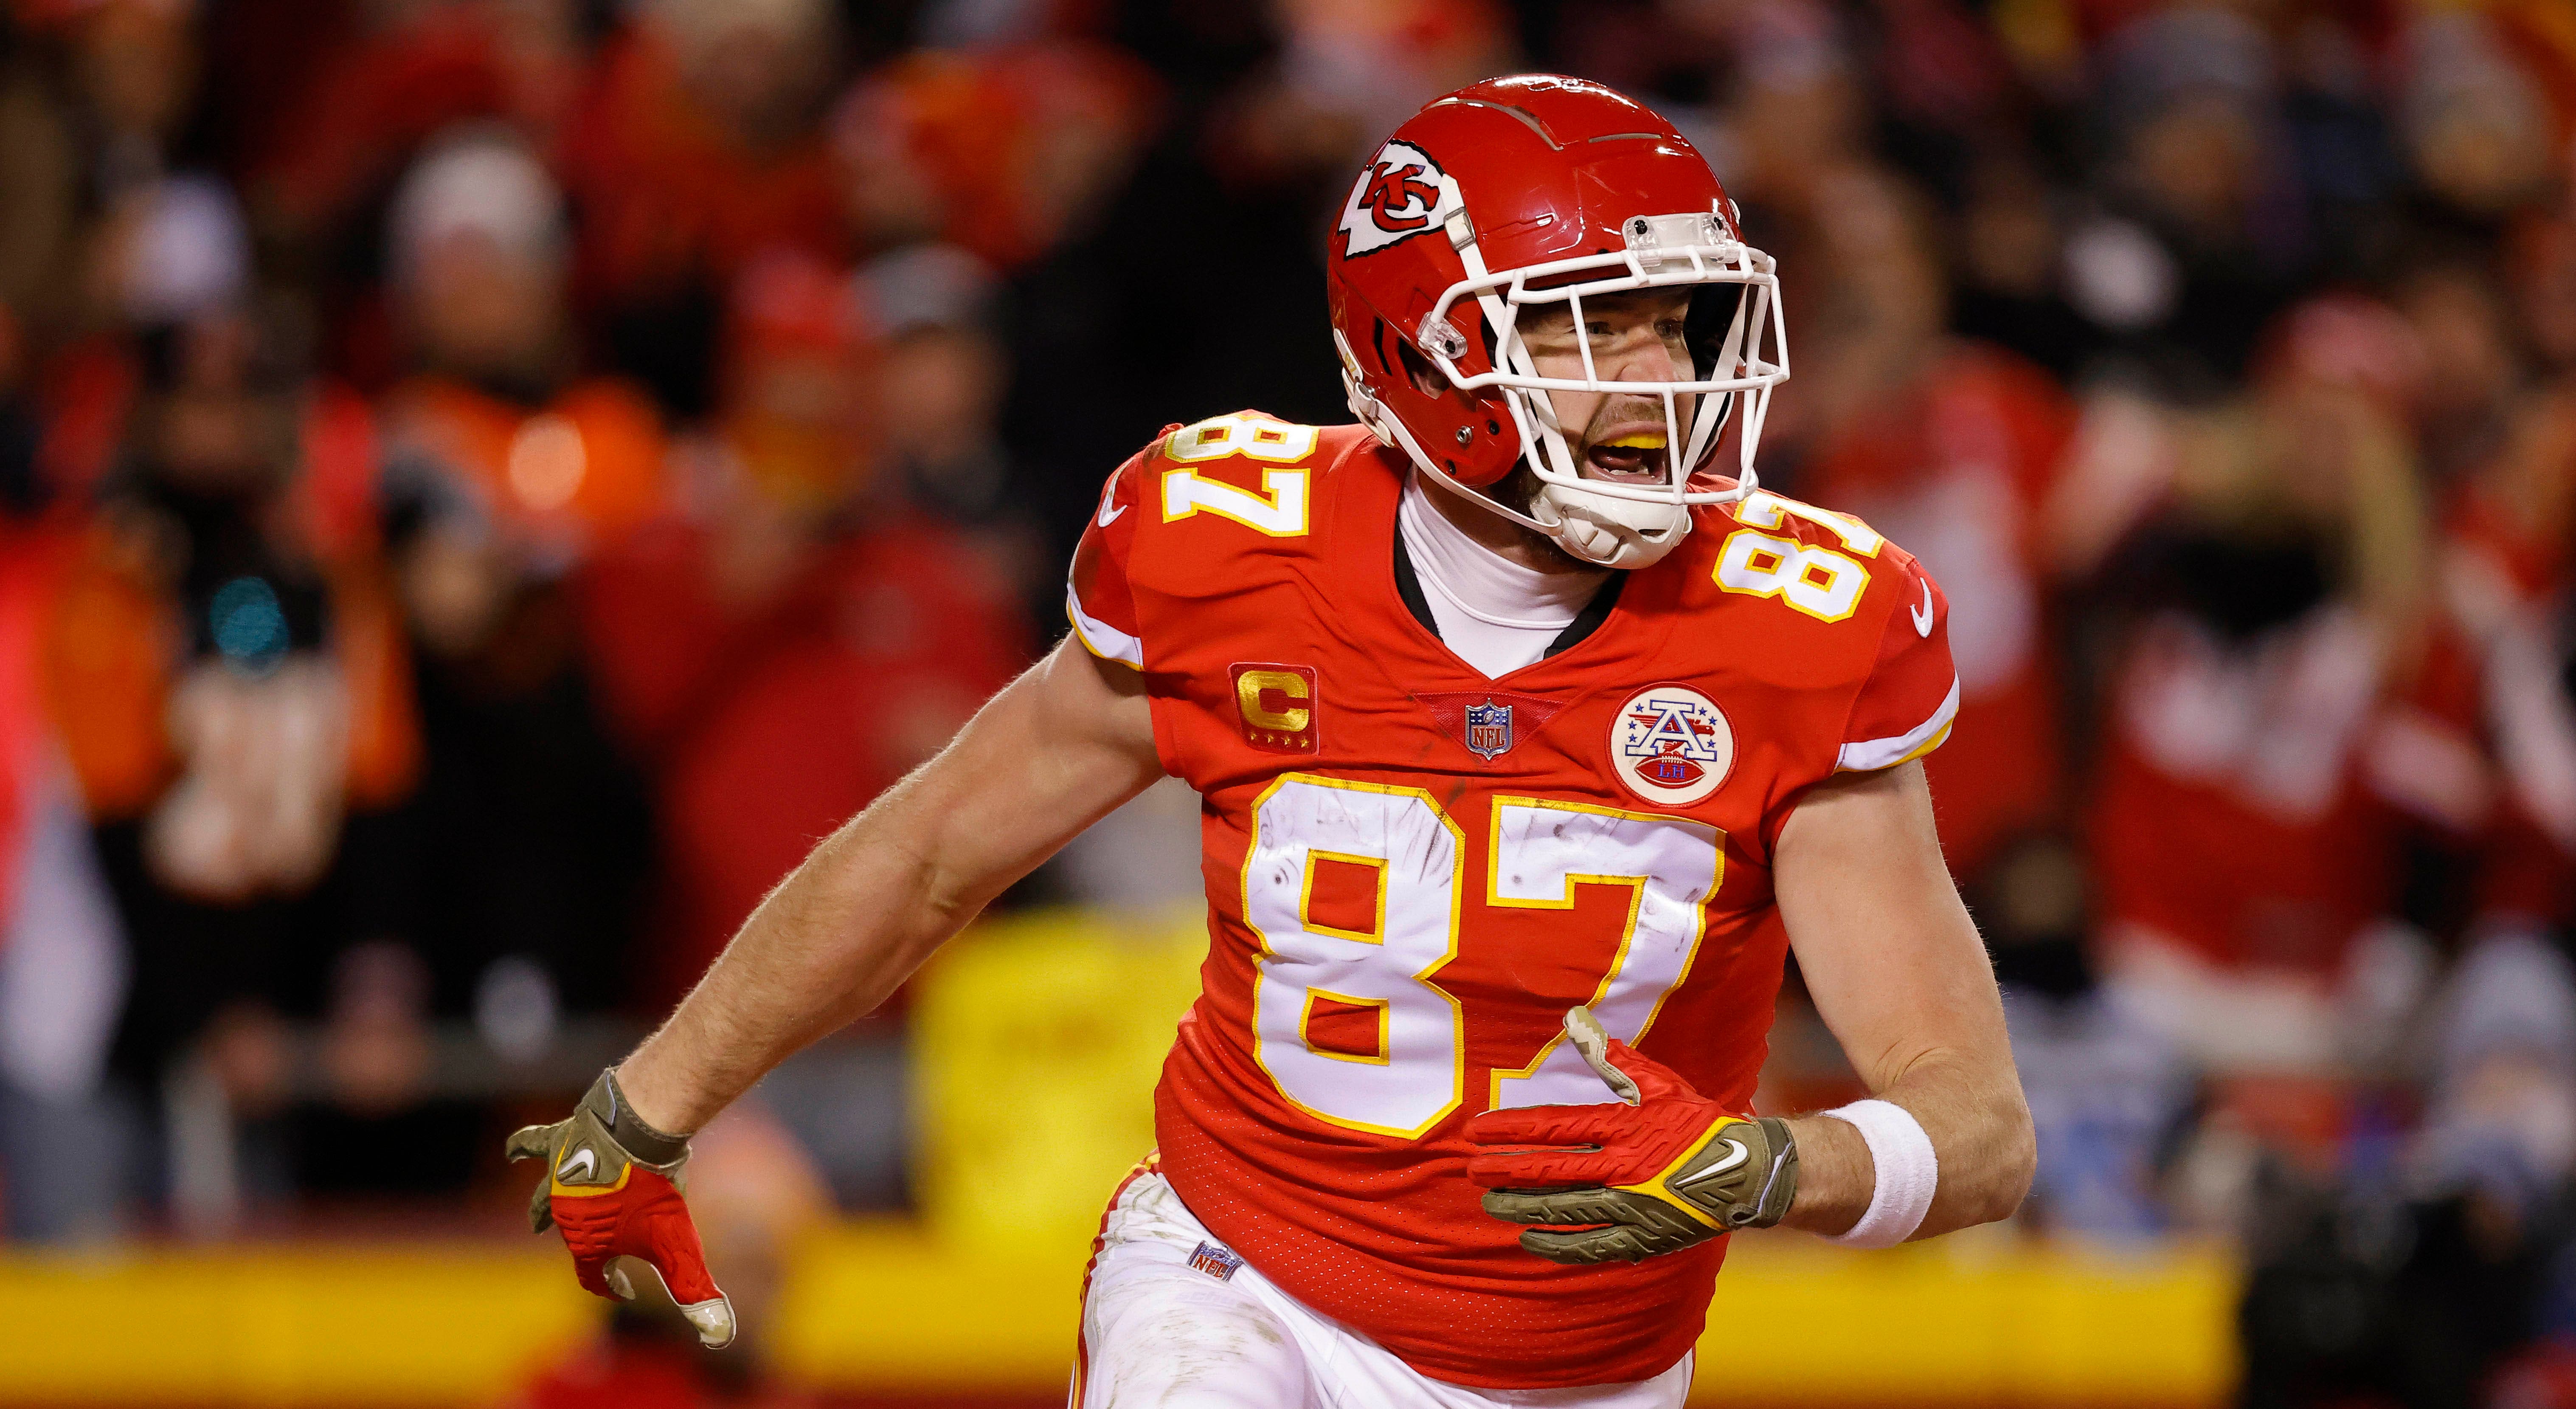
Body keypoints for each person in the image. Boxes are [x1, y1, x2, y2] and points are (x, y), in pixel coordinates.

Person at [506, 76, 2035, 1407]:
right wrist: (647, 1109)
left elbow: (1973, 1127)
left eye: (1678, 323)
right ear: (1422, 353)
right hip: (1245, 1277)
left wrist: (1776, 1169)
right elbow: (923, 859)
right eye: (1589, 328)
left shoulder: (1797, 630)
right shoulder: (1231, 550)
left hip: (1588, 1371)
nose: (1659, 382)